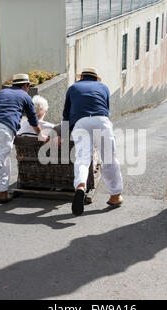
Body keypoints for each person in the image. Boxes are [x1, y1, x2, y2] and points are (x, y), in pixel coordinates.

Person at [0, 74, 48, 203]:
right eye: (28, 86)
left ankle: (2, 192)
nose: (28, 88)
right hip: (6, 126)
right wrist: (41, 135)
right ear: (25, 85)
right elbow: (33, 119)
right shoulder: (25, 96)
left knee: (1, 157)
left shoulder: (3, 92)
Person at [63, 67, 123, 216]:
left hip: (80, 122)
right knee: (109, 158)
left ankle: (80, 186)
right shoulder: (103, 87)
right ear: (96, 78)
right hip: (101, 120)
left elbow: (66, 113)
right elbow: (106, 109)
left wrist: (64, 135)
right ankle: (115, 196)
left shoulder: (73, 87)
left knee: (82, 159)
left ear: (81, 77)